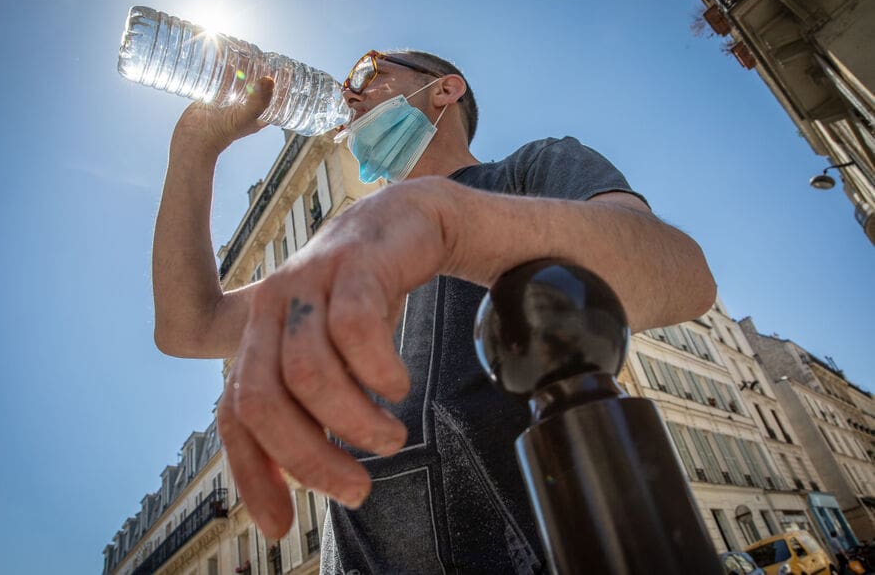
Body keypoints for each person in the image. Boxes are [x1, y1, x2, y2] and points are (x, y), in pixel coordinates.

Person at [152, 49, 717, 573]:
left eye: (370, 73)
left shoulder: (533, 170)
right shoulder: (351, 254)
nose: (348, 96)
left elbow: (685, 274)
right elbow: (189, 326)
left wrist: (449, 223)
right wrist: (194, 146)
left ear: (444, 91)